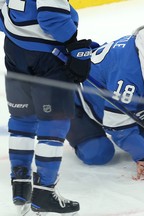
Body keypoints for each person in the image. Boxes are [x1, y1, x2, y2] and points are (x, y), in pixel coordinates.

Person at [0, 0, 92, 215]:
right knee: (55, 121)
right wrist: (72, 44)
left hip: (14, 50)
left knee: (23, 117)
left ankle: (20, 185)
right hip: (47, 56)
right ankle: (44, 191)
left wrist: (17, 33)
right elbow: (51, 16)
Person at [66, 22, 144, 180]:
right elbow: (118, 123)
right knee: (99, 153)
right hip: (78, 103)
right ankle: (80, 132)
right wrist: (141, 158)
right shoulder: (128, 73)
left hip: (106, 98)